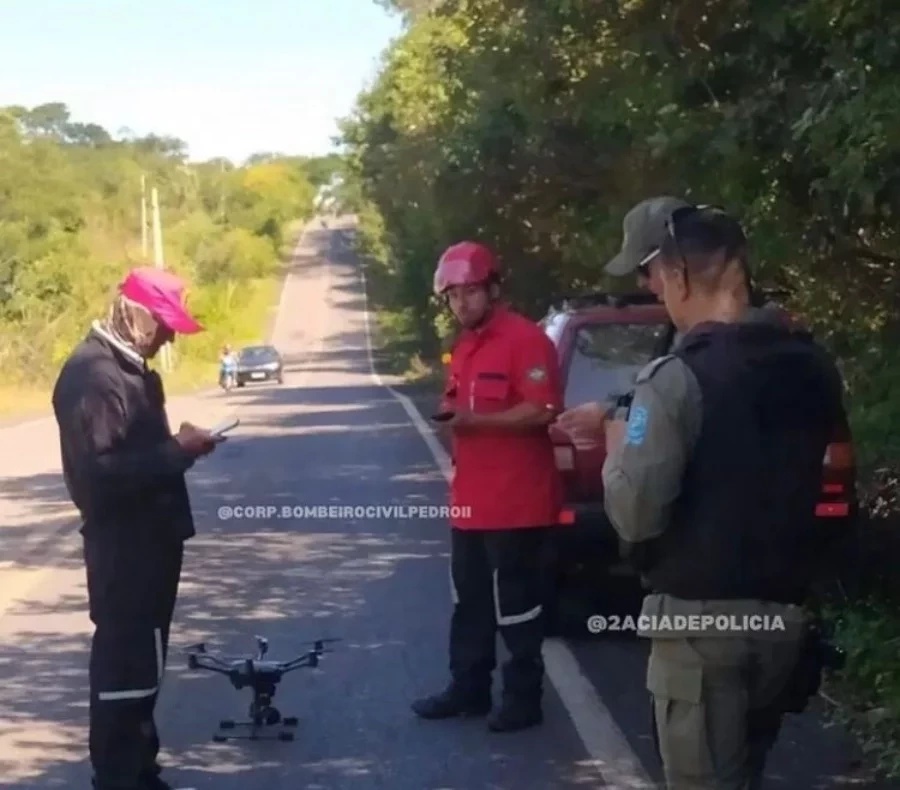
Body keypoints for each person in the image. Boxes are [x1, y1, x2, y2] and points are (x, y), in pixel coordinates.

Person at [600, 206, 848, 788]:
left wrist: (618, 445)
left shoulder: (672, 381)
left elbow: (634, 515)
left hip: (702, 634)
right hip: (785, 624)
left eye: (655, 277)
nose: (655, 292)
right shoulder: (812, 364)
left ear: (678, 276)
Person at [52, 266, 220, 790]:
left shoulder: (134, 369)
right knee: (124, 665)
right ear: (136, 313)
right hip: (124, 548)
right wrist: (177, 450)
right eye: (165, 323)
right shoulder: (94, 375)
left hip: (152, 541)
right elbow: (101, 474)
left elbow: (140, 456)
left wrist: (180, 449)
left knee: (144, 663)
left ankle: (139, 767)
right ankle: (119, 776)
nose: (171, 335)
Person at [411, 240, 564, 732]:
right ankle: (469, 688)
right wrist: (451, 418)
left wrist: (476, 420)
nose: (461, 304)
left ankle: (523, 699)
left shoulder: (526, 340)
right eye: (452, 296)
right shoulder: (464, 347)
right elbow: (457, 404)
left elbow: (542, 409)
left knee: (516, 608)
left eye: (470, 292)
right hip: (471, 502)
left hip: (518, 503)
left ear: (494, 288)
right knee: (469, 601)